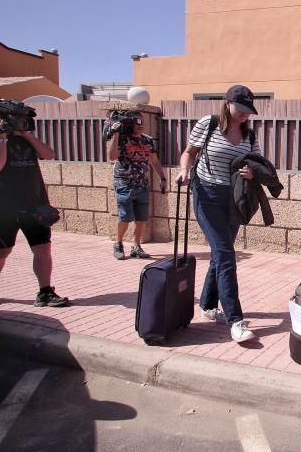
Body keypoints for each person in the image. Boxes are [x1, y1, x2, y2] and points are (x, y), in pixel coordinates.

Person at [176, 85, 260, 344]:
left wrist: (252, 172)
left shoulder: (249, 133)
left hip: (234, 199)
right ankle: (235, 320)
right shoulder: (209, 124)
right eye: (241, 109)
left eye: (249, 111)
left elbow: (259, 163)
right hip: (207, 195)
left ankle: (207, 304)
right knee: (225, 255)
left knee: (220, 254)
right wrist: (184, 171)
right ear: (227, 103)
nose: (245, 115)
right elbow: (189, 153)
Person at [0, 117, 70, 307]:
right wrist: (0, 137)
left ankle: (45, 293)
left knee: (43, 248)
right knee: (0, 253)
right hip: (3, 206)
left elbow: (49, 154)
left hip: (34, 205)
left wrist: (27, 135)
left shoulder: (25, 140)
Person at [106, 111, 167, 260]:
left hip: (142, 184)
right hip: (124, 183)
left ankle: (136, 246)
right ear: (130, 124)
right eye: (136, 122)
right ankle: (118, 243)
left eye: (142, 122)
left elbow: (154, 160)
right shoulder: (122, 138)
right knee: (125, 217)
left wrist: (163, 177)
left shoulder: (147, 140)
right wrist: (115, 134)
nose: (140, 125)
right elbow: (111, 157)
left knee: (141, 218)